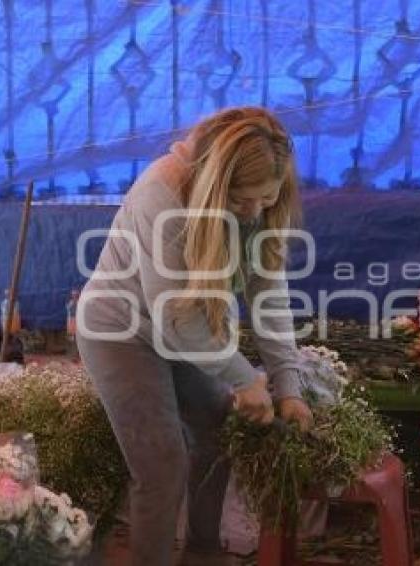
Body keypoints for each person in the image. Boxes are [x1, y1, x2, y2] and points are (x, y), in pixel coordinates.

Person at [76, 107, 312, 566]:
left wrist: (288, 386)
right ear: (216, 185)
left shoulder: (259, 206)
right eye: (243, 201)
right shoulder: (160, 195)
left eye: (267, 199)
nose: (255, 212)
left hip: (181, 330)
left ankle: (203, 553)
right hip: (120, 331)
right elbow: (176, 321)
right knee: (162, 465)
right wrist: (245, 378)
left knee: (218, 429)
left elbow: (269, 297)